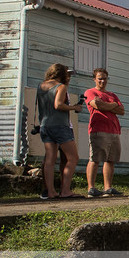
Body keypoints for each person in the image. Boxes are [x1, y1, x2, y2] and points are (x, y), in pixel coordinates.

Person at [36, 63, 82, 200]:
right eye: (67, 74)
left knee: (50, 159)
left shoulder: (41, 86)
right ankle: (65, 190)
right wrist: (74, 107)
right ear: (62, 74)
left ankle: (51, 191)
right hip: (60, 125)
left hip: (45, 125)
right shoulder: (61, 87)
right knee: (73, 157)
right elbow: (58, 104)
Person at [82, 68, 125, 197]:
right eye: (100, 78)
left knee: (110, 160)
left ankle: (108, 188)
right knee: (95, 159)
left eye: (105, 78)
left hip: (114, 130)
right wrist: (113, 105)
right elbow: (97, 105)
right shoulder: (90, 92)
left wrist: (106, 105)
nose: (102, 81)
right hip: (99, 129)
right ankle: (91, 188)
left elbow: (122, 110)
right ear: (94, 79)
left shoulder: (112, 95)